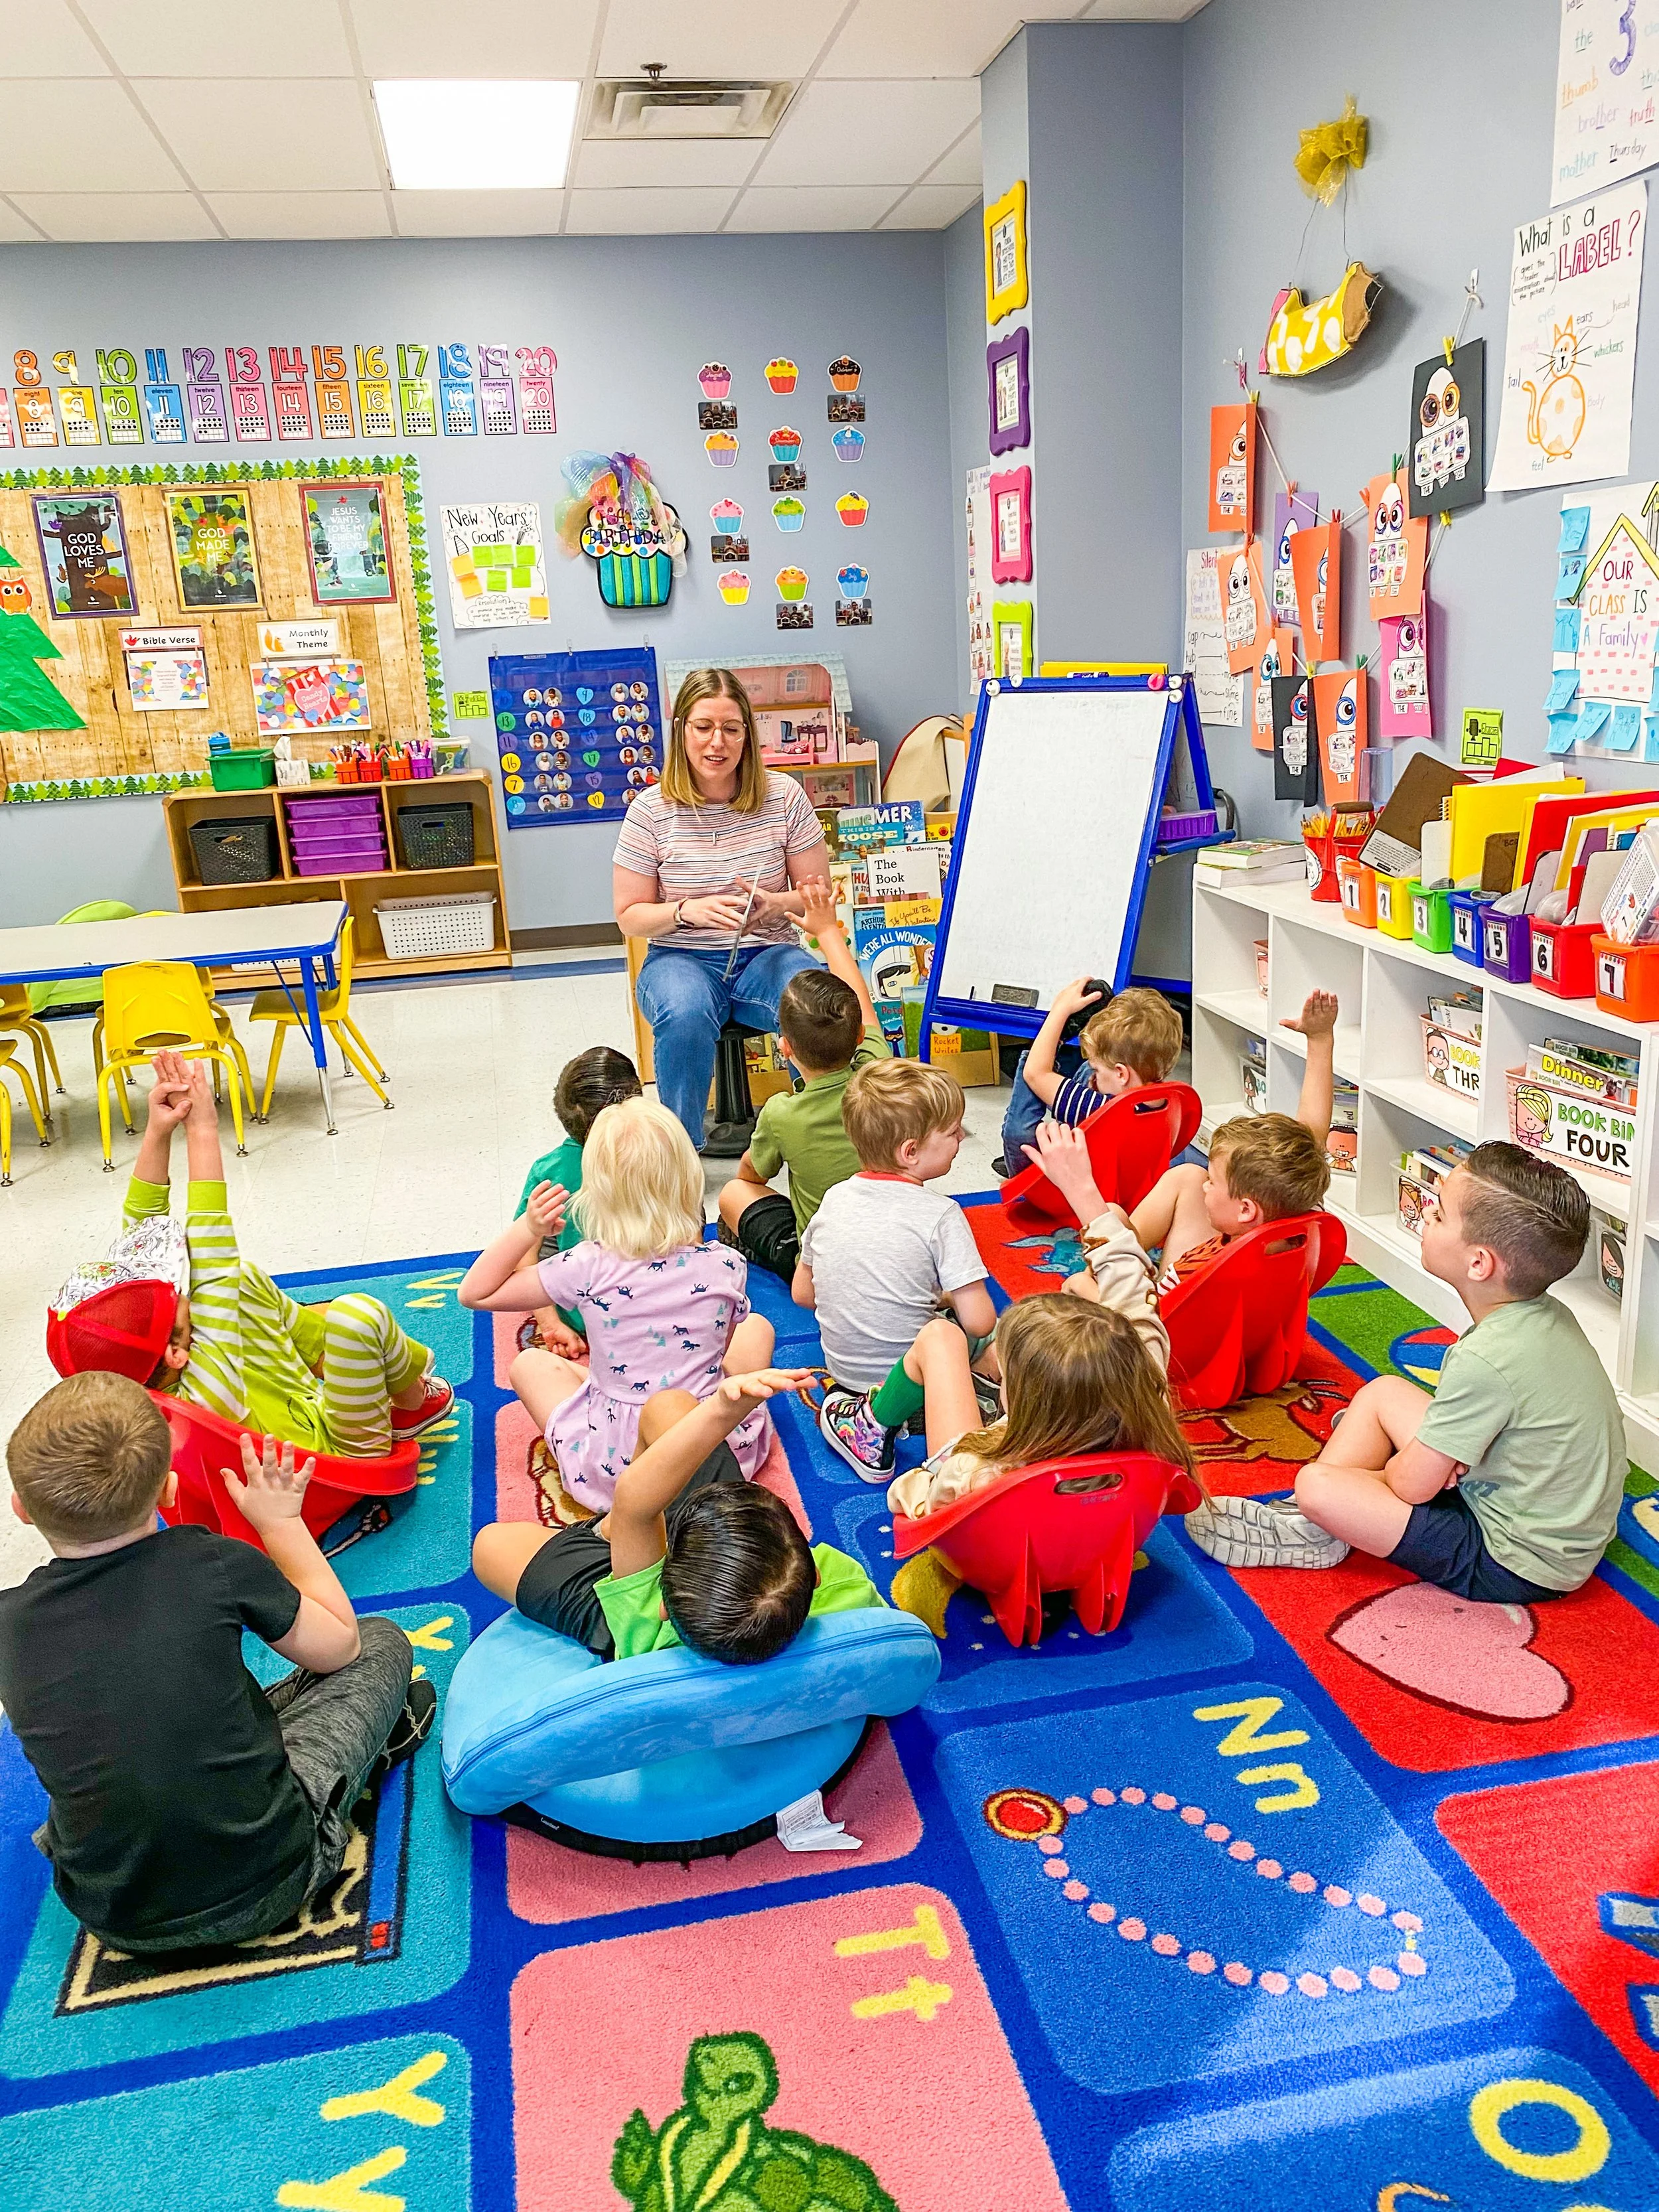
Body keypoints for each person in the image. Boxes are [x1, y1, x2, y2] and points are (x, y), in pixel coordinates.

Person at [0, 1372, 433, 1954]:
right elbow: (341, 1648)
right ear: (169, 1491)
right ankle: (363, 1764)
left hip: (118, 1919)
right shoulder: (212, 1560)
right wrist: (280, 1523)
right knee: (382, 1641)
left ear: (21, 1509)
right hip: (272, 1880)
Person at [1186, 1142, 1630, 1591]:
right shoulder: (1543, 1316)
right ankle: (1324, 1518)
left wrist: (1398, 1469)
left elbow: (1413, 1487)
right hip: (1550, 1514)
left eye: (1438, 1214)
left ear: (1479, 1263)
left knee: (1318, 1485)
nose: (1427, 1215)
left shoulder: (1484, 1359)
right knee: (1384, 1393)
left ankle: (1317, 1525)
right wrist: (1435, 1455)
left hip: (1513, 1559)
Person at [46, 1053, 451, 1455]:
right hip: (335, 1454)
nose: (180, 1289)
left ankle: (333, 1362)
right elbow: (212, 1252)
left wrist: (159, 1131)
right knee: (359, 1314)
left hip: (289, 1404)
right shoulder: (206, 1391)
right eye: (176, 1301)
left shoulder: (146, 1379)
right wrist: (203, 1128)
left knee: (243, 1278)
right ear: (174, 1353)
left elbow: (142, 1227)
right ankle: (412, 1401)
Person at [460, 1096, 778, 1512]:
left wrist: (527, 1229)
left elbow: (475, 1293)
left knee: (529, 1365)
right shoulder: (726, 1264)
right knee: (758, 1327)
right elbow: (717, 1353)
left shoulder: (586, 1265)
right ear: (689, 1180)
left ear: (595, 1192)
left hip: (620, 1466)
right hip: (714, 1449)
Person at [473, 1368, 883, 1662]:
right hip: (725, 1575)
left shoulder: (645, 1630)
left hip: (639, 1594)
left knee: (490, 1545)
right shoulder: (846, 1587)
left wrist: (723, 1409)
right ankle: (635, 1534)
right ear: (813, 1575)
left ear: (663, 1605)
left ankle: (608, 1533)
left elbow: (636, 1501)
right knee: (668, 1406)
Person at [613, 668, 831, 1149]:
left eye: (732, 729)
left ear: (748, 735)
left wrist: (775, 903)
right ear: (682, 731)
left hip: (766, 954)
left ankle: (821, 1137)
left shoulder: (785, 797)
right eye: (703, 727)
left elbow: (817, 894)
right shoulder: (650, 810)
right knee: (686, 1011)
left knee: (815, 1004)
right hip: (680, 959)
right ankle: (680, 1157)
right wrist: (687, 910)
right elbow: (629, 915)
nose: (718, 742)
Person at [803, 1059, 998, 1479]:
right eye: (952, 1132)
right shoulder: (941, 1214)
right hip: (923, 1395)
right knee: (1015, 1333)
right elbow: (980, 1322)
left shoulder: (834, 1198)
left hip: (844, 1376)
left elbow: (804, 1293)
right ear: (910, 1152)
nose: (962, 1137)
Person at [715, 879, 891, 1281]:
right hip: (894, 1244)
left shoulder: (781, 1113)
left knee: (732, 1195)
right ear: (859, 1037)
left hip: (825, 1265)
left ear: (785, 1048)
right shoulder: (878, 1071)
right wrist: (829, 932)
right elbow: (859, 999)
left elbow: (750, 1177)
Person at [1108, 991, 1338, 1297]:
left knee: (1084, 1281)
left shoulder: (1194, 1273)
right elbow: (1313, 1133)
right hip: (1256, 1318)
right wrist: (1320, 1039)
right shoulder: (1299, 1212)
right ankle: (1125, 1247)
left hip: (1180, 1319)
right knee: (1188, 1175)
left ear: (1244, 1209)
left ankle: (1117, 1257)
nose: (1207, 1184)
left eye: (1213, 1182)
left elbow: (1147, 1317)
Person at [516, 1046, 642, 1357]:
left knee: (540, 1231)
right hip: (658, 1305)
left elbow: (522, 1254)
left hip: (583, 1316)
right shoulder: (664, 1153)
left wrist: (548, 1323)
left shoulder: (550, 1171)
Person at [997, 982, 1185, 1174]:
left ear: (1122, 1074)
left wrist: (1059, 1012)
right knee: (1100, 1065)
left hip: (1060, 1187)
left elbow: (1035, 1073)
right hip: (1127, 1170)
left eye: (1097, 1071)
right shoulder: (1176, 1100)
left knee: (1018, 1131)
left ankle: (1052, 1045)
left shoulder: (1102, 1109)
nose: (1093, 1077)